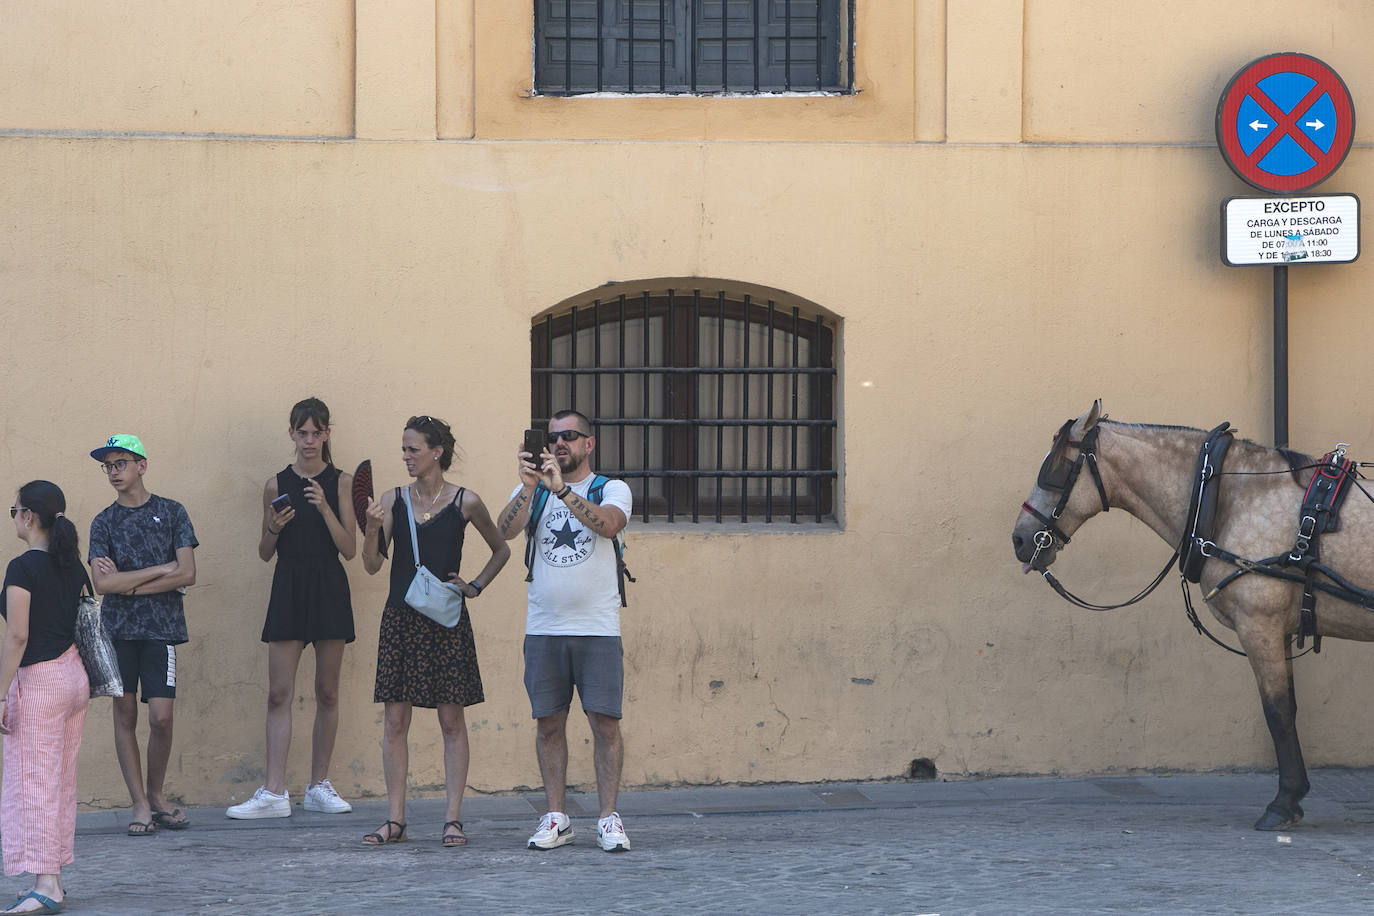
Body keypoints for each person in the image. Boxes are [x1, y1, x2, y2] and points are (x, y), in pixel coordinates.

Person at [360, 415, 510, 847]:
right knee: (395, 720)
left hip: (445, 620)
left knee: (451, 720)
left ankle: (453, 819)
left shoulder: (466, 501)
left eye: (413, 449)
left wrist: (475, 586)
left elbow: (501, 550)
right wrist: (372, 529)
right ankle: (395, 820)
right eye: (403, 450)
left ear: (437, 452)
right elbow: (372, 565)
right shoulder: (393, 500)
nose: (406, 457)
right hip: (401, 618)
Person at [497, 408, 634, 853]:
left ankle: (608, 817)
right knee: (549, 724)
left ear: (588, 444)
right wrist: (530, 486)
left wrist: (562, 490)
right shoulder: (532, 491)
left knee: (605, 725)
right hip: (544, 628)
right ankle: (556, 816)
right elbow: (504, 531)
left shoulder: (610, 488)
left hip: (598, 628)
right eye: (553, 437)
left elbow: (608, 524)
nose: (559, 444)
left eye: (570, 436)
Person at [227, 398, 357, 819]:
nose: (309, 441)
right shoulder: (275, 484)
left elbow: (350, 549)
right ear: (292, 434)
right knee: (279, 692)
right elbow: (265, 552)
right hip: (289, 583)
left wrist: (324, 506)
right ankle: (274, 791)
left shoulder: (341, 482)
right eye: (302, 433)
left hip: (328, 584)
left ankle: (319, 785)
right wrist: (273, 526)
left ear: (327, 434)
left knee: (328, 691)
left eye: (317, 433)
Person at [87, 435, 198, 837]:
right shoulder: (103, 522)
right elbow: (103, 585)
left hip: (162, 629)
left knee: (161, 717)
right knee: (125, 715)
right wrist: (160, 570)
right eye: (109, 466)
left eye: (121, 463)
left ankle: (156, 794)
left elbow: (187, 572)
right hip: (118, 631)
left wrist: (129, 584)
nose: (114, 472)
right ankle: (139, 803)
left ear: (142, 466)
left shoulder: (172, 512)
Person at [0, 482, 90, 914]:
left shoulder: (22, 568)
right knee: (60, 781)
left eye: (14, 510)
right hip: (73, 677)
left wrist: (1, 694)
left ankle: (47, 884)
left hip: (39, 683)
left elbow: (17, 636)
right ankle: (53, 879)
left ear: (29, 516)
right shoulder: (73, 566)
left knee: (35, 780)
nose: (14, 518)